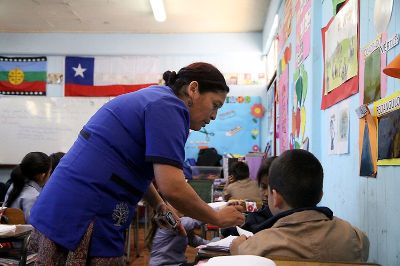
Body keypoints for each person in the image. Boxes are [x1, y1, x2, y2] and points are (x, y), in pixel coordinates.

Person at [29, 62, 245, 264]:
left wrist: (158, 204)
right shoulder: (170, 108)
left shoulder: (158, 99)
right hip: (83, 209)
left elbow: (131, 166)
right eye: (215, 105)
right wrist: (217, 217)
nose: (214, 116)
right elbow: (173, 187)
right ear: (193, 89)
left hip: (67, 203)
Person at [230, 149, 370, 262]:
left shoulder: (256, 247)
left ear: (276, 197)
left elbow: (241, 255)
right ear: (321, 194)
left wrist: (237, 248)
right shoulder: (356, 238)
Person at [221, 156, 276, 237]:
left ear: (233, 175)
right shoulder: (255, 184)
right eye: (263, 187)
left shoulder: (231, 187)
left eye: (272, 188)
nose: (266, 194)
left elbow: (224, 197)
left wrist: (227, 183)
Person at [2, 152, 51, 223]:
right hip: (24, 233)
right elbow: (34, 226)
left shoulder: (13, 185)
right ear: (42, 175)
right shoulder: (34, 196)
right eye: (49, 172)